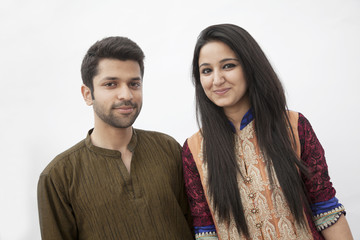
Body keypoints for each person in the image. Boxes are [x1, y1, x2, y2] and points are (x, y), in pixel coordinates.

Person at [182, 24, 353, 240]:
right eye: (207, 70)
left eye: (228, 66)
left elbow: (326, 209)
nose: (216, 80)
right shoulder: (194, 150)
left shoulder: (293, 126)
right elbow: (205, 231)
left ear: (250, 66)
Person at [37, 36, 193, 239]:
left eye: (134, 84)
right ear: (87, 94)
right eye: (111, 84)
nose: (126, 95)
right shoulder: (59, 177)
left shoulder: (168, 149)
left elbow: (197, 226)